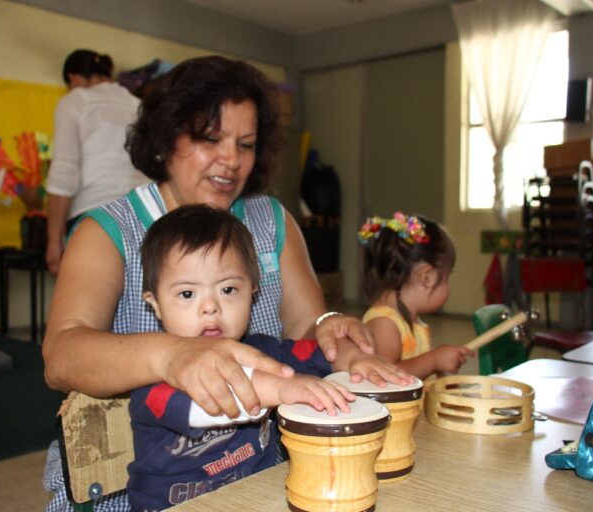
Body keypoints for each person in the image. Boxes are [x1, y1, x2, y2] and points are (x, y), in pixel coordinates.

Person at [42, 55, 377, 511]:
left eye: (246, 143)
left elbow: (307, 324)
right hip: (135, 484)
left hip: (255, 467)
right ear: (164, 140)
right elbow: (61, 355)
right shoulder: (109, 230)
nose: (231, 161)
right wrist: (171, 354)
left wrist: (334, 328)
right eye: (209, 138)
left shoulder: (271, 219)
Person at [129, 204, 412, 510]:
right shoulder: (156, 377)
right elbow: (217, 400)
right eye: (187, 294)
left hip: (258, 496)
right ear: (154, 303)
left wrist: (354, 358)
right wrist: (282, 388)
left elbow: (320, 352)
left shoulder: (263, 352)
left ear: (252, 291)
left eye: (227, 289)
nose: (210, 307)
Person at [44, 49, 150, 275]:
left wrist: (54, 241)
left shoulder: (75, 101)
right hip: (144, 216)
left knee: (91, 305)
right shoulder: (138, 105)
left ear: (73, 79)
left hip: (95, 219)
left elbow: (64, 172)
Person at [358, 212, 474, 379]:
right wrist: (434, 361)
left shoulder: (409, 320)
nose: (448, 287)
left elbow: (415, 370)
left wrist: (439, 369)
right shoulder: (384, 323)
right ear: (427, 277)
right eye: (447, 278)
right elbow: (384, 375)